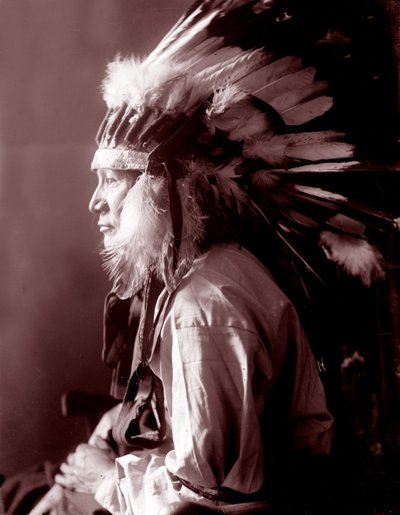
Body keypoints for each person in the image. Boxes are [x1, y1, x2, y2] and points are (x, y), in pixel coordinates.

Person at [17, 1, 392, 514]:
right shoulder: (205, 273)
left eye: (112, 181)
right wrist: (114, 432)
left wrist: (105, 477)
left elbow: (205, 500)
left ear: (159, 187)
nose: (95, 202)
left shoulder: (202, 307)